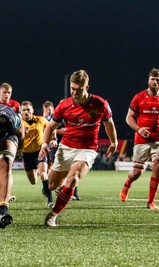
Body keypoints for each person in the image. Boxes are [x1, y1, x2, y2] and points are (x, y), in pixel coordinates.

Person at [40, 70, 118, 227]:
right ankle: (64, 188)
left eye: (78, 89)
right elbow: (50, 127)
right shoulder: (64, 105)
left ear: (87, 87)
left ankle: (53, 215)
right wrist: (44, 144)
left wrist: (114, 142)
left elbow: (109, 123)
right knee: (52, 185)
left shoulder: (100, 103)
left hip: (87, 149)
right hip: (66, 147)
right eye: (72, 88)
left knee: (73, 178)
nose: (74, 92)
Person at [120, 68, 159, 210]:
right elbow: (129, 117)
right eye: (152, 78)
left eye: (158, 79)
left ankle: (151, 201)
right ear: (148, 80)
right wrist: (138, 128)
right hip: (141, 140)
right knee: (136, 173)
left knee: (157, 165)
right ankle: (127, 183)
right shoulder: (138, 97)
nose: (155, 81)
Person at [43, 100, 80, 200]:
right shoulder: (56, 116)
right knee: (56, 168)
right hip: (57, 146)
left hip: (71, 145)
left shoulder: (74, 115)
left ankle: (73, 192)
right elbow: (51, 128)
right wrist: (57, 135)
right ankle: (49, 185)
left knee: (73, 169)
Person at [21, 100, 53, 207]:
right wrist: (20, 132)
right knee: (33, 181)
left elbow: (51, 128)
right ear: (21, 112)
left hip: (40, 152)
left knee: (43, 173)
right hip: (27, 154)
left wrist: (53, 139)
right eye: (24, 110)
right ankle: (45, 187)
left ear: (32, 110)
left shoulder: (41, 120)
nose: (26, 112)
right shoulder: (18, 123)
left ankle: (50, 200)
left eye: (28, 110)